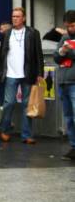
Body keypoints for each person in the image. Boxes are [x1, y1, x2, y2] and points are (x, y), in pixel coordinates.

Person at [0, 7, 43, 144]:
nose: (15, 19)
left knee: (27, 105)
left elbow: (38, 54)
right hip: (10, 73)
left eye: (17, 16)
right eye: (13, 16)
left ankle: (26, 135)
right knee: (9, 103)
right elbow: (2, 53)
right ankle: (4, 130)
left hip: (28, 73)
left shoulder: (33, 33)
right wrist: (0, 69)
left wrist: (40, 73)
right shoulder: (7, 33)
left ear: (24, 18)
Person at [54, 10, 75, 160]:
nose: (70, 29)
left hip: (74, 82)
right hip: (63, 81)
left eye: (73, 25)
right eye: (68, 26)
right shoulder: (64, 38)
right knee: (68, 117)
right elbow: (56, 57)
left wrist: (70, 51)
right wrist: (62, 51)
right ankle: (73, 146)